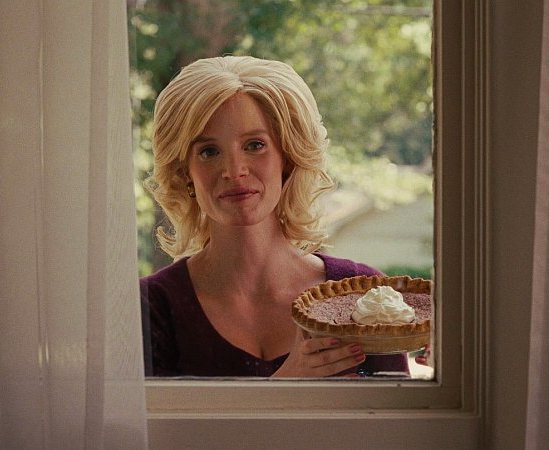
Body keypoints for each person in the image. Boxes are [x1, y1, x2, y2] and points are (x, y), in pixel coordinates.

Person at [140, 55, 409, 377]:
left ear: (288, 158)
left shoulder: (364, 296)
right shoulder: (149, 307)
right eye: (209, 151)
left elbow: (399, 410)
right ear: (185, 171)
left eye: (255, 145)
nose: (234, 171)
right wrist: (284, 386)